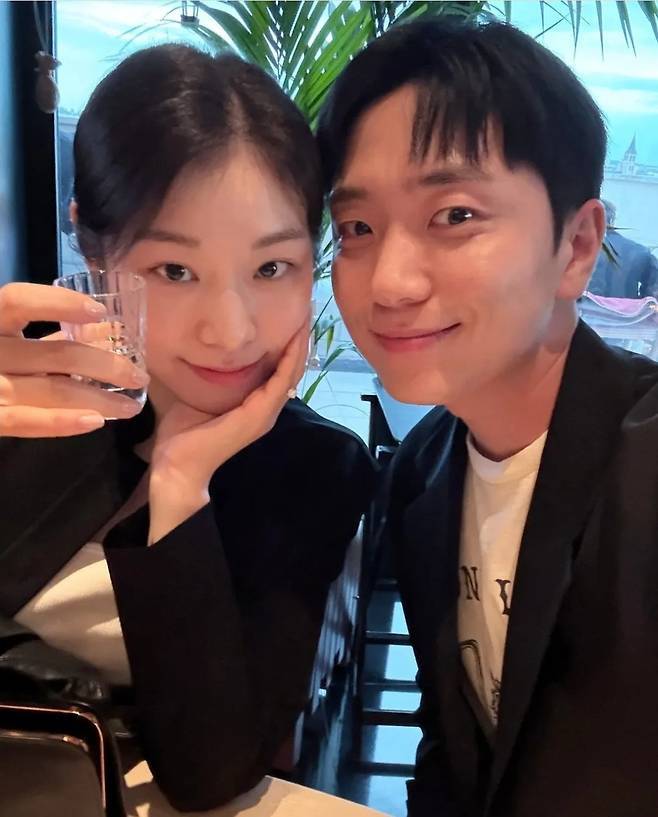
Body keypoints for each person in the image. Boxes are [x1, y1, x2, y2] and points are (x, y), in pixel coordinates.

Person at [0, 44, 375, 811]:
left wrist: (179, 480)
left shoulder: (316, 470)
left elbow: (212, 773)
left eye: (272, 268)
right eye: (175, 271)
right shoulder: (25, 404)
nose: (230, 332)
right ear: (93, 248)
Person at [317, 18, 658, 817]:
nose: (390, 283)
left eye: (455, 215)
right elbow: (455, 752)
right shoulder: (422, 473)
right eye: (357, 228)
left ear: (577, 246)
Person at [588, 199, 658, 299]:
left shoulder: (576, 249)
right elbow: (653, 294)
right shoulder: (641, 252)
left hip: (581, 307)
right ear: (612, 220)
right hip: (627, 308)